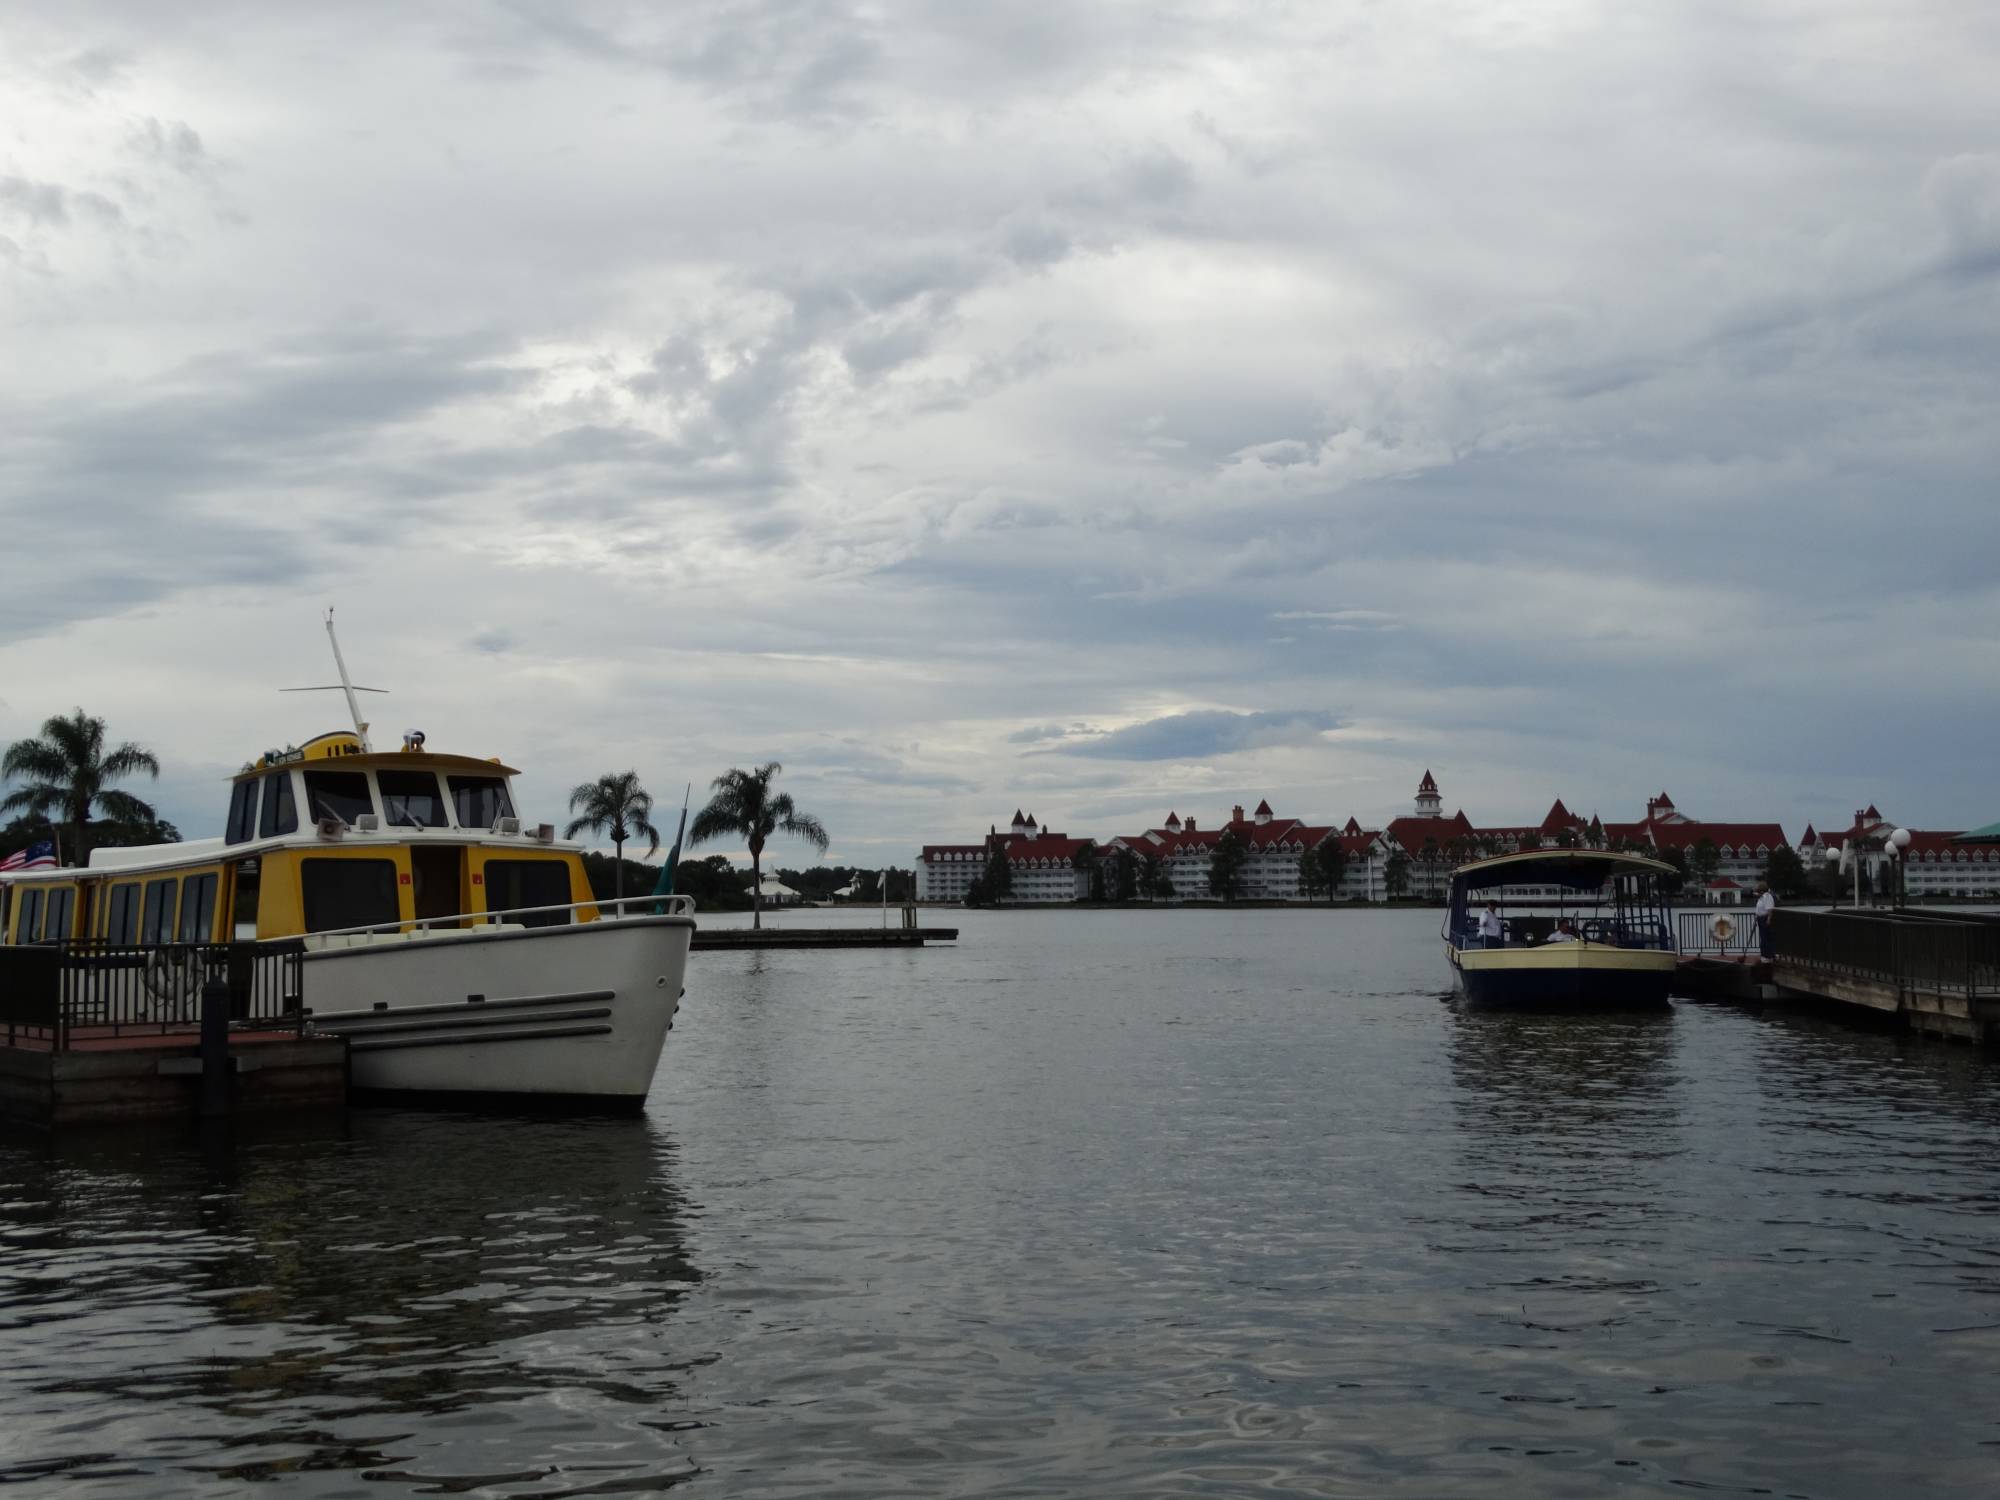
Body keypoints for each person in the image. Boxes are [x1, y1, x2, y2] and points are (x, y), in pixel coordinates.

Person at [1754, 880, 1776, 959]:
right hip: (1760, 918)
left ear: (1762, 890)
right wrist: (1756, 917)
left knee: (1767, 937)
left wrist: (1769, 919)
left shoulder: (1767, 897)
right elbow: (1759, 909)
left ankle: (1768, 955)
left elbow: (1769, 909)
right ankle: (1764, 954)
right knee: (1763, 937)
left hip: (1765, 918)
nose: (1757, 893)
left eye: (1759, 891)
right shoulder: (1761, 897)